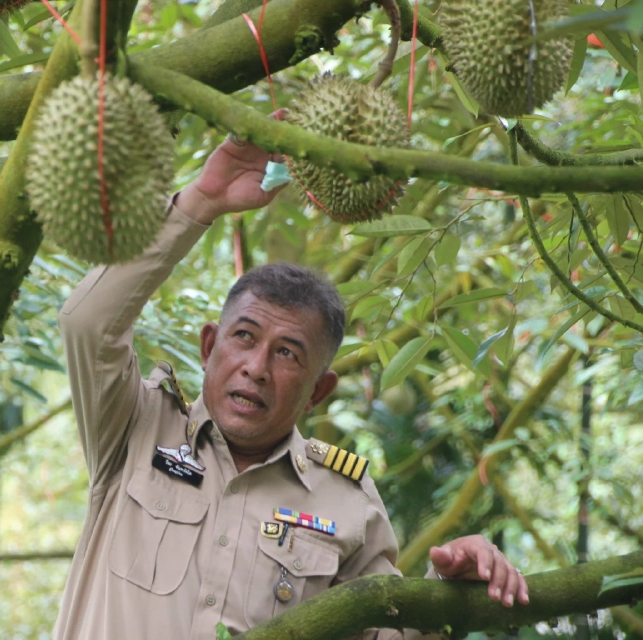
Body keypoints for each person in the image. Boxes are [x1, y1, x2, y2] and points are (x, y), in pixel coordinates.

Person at [52, 133, 529, 640]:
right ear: (209, 346)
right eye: (243, 337)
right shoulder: (137, 429)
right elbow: (87, 323)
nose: (256, 367)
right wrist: (202, 202)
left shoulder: (346, 503)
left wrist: (446, 593)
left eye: (286, 354)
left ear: (318, 392)